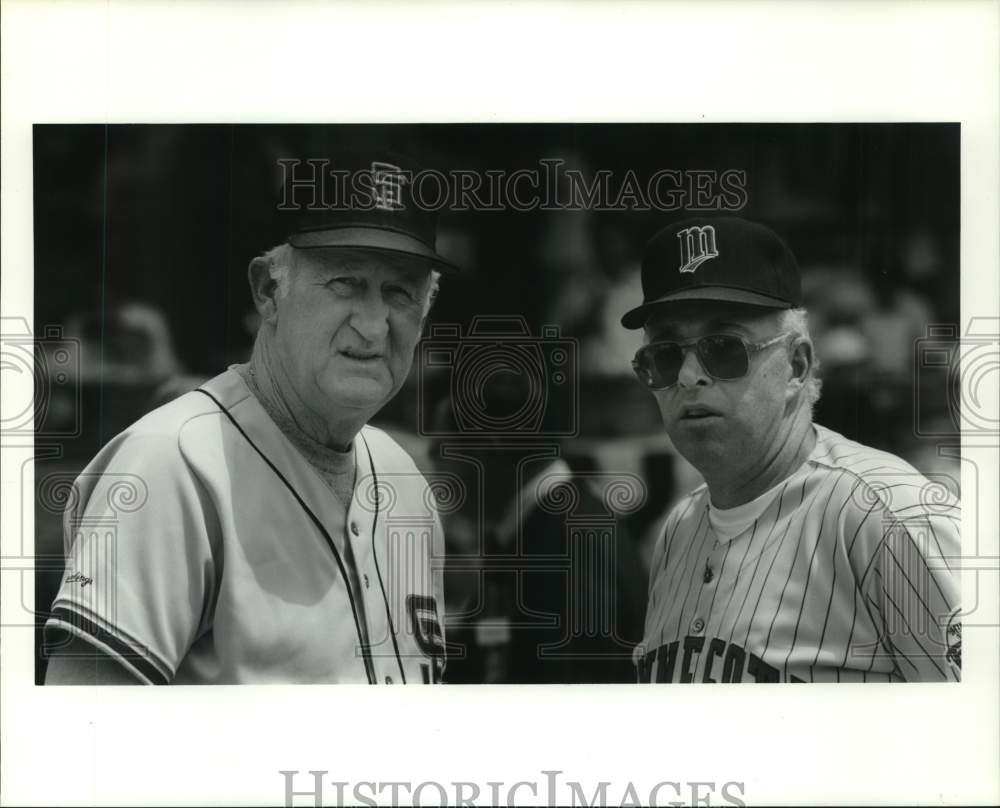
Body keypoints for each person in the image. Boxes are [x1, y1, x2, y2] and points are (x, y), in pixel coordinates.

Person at [43, 151, 457, 684]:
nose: (375, 327)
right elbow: (88, 744)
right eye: (345, 283)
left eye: (399, 292)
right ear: (269, 291)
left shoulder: (406, 482)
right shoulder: (170, 466)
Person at [621, 217, 960, 683]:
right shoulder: (677, 529)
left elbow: (983, 730)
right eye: (664, 355)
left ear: (796, 366)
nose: (687, 376)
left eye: (723, 348)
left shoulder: (890, 514)